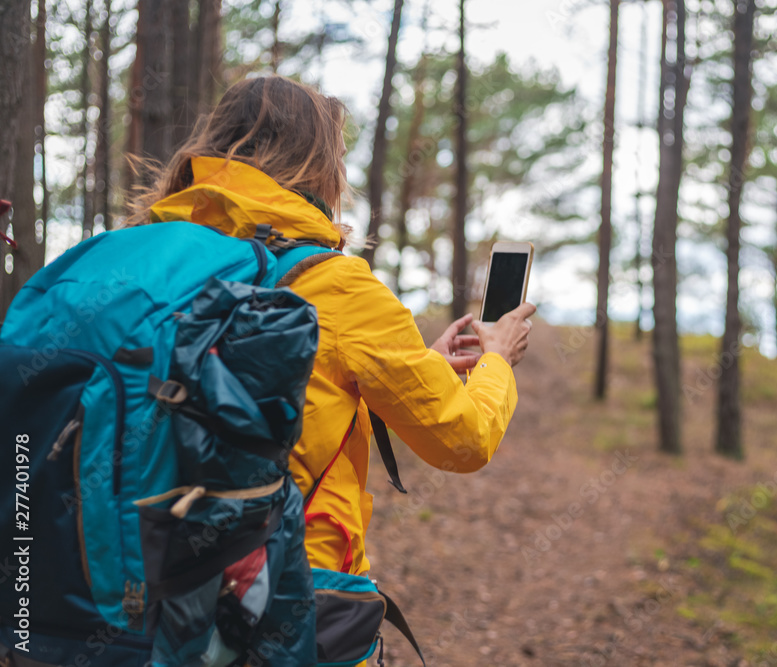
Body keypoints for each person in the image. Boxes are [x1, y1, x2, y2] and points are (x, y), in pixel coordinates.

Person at [127, 75, 533, 596]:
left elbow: (252, 395)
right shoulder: (336, 285)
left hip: (133, 579)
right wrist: (495, 360)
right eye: (339, 157)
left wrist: (416, 365)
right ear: (318, 170)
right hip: (278, 594)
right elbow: (464, 440)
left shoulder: (152, 256)